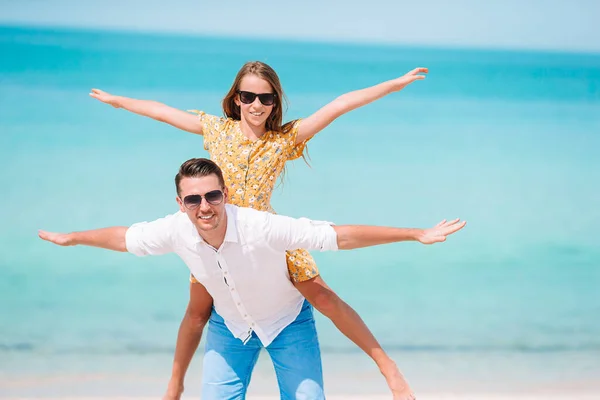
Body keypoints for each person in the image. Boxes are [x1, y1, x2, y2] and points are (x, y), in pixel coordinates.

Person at [89, 61, 429, 399]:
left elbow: (339, 105)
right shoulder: (217, 130)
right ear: (236, 98)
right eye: (248, 96)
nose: (256, 105)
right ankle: (175, 385)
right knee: (196, 313)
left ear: (274, 103)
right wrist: (118, 101)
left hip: (267, 236)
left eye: (265, 99)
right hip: (216, 238)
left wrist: (393, 85)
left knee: (324, 297)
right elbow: (162, 112)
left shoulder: (284, 139)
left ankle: (389, 369)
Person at [39, 158, 466, 400]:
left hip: (287, 323)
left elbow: (337, 235)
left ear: (224, 193)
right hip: (230, 329)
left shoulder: (261, 227)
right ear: (180, 202)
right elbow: (124, 237)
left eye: (212, 195)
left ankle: (389, 370)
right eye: (193, 199)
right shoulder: (174, 228)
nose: (204, 206)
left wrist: (414, 234)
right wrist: (73, 238)